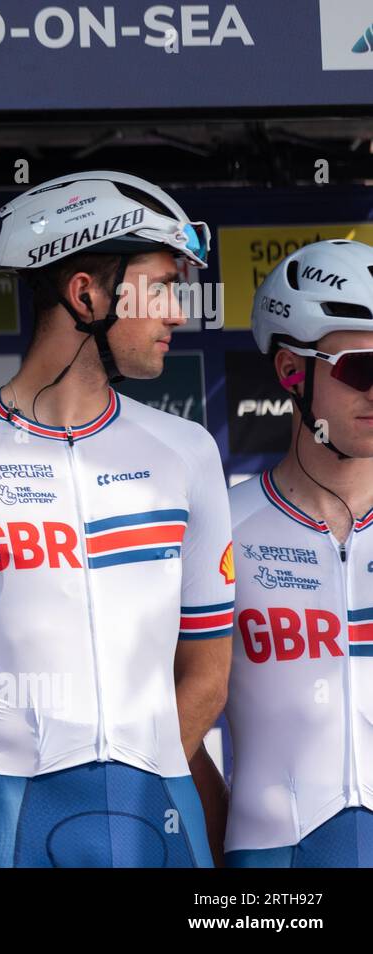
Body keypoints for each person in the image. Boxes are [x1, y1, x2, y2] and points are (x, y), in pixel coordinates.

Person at [0, 171, 233, 867]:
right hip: (8, 821)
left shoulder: (186, 452)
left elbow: (209, 675)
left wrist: (137, 791)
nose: (177, 312)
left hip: (156, 819)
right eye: (159, 285)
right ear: (86, 293)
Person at [202, 239, 373, 866]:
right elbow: (170, 720)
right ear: (291, 372)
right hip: (274, 864)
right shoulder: (223, 525)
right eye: (361, 368)